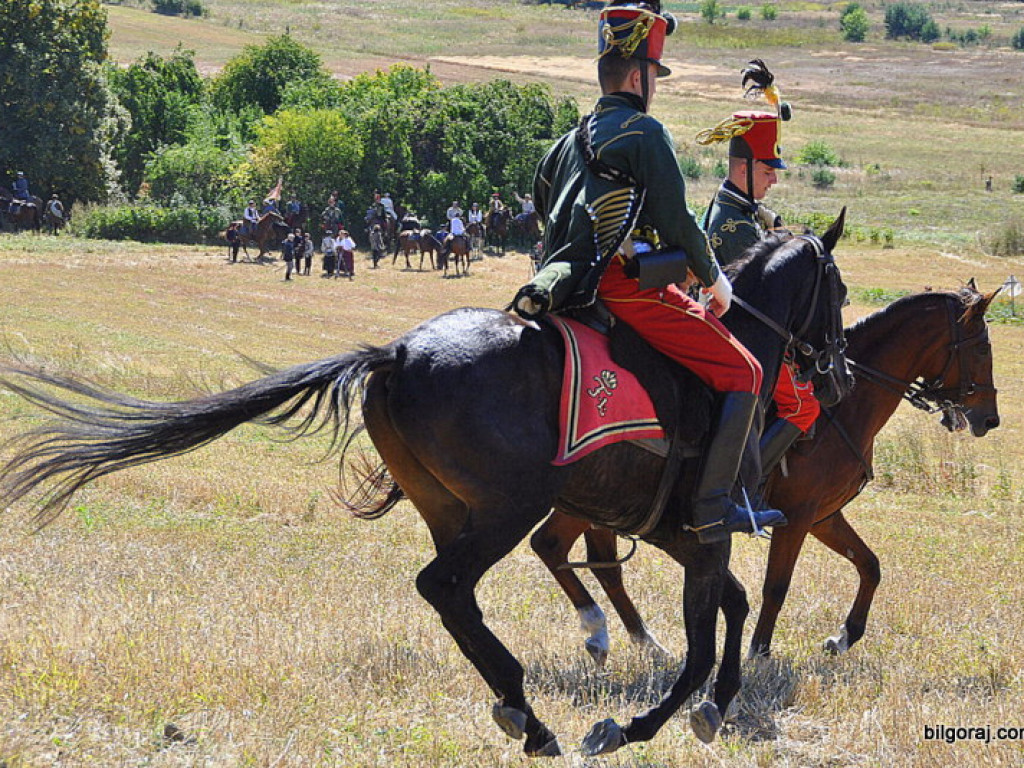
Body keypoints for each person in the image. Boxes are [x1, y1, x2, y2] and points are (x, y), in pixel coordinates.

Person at [511, 0, 785, 544]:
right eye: (655, 74)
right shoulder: (644, 131)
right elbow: (678, 220)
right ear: (639, 75)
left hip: (573, 286)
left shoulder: (568, 139)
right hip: (625, 289)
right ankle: (714, 507)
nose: (655, 84)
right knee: (748, 373)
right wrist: (715, 278)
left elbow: (547, 205)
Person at [696, 64, 818, 480]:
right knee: (804, 405)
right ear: (743, 170)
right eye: (768, 172)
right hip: (733, 333)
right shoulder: (732, 227)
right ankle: (743, 483)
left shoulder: (740, 209)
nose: (774, 181)